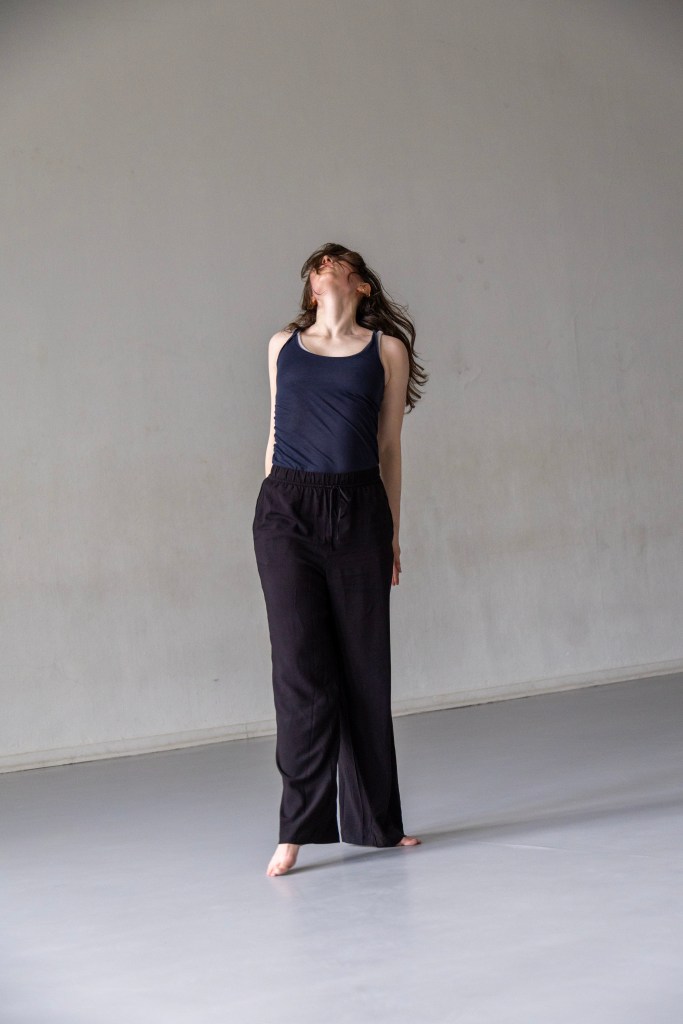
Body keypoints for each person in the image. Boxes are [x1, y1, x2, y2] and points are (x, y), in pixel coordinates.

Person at [252, 243, 428, 876]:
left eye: (338, 261)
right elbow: (274, 434)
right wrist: (270, 505)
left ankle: (378, 821)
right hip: (288, 510)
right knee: (300, 672)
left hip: (359, 510)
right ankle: (295, 828)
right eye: (318, 262)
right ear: (310, 285)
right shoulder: (282, 346)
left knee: (363, 667)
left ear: (360, 285)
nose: (325, 265)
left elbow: (390, 448)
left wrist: (392, 535)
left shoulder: (385, 350)